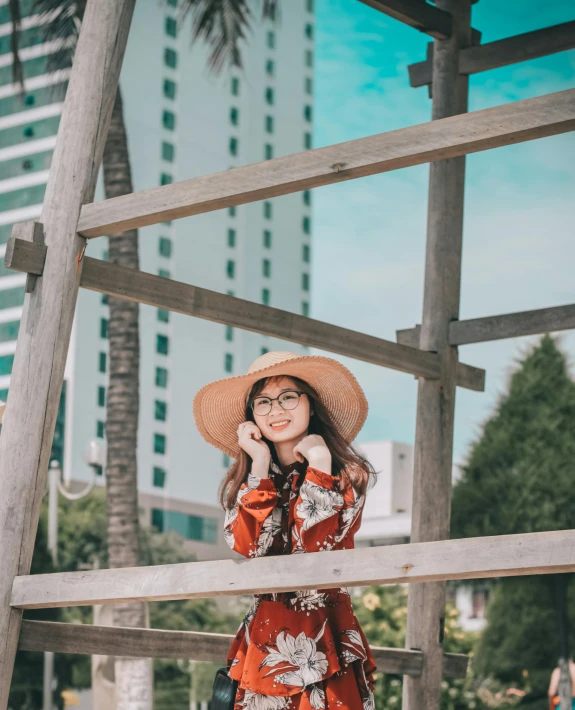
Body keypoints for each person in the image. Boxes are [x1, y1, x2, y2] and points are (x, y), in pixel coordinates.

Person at [194, 350, 378, 710]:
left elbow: (313, 548)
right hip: (264, 641)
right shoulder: (249, 481)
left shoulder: (348, 474)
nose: (276, 411)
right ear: (251, 419)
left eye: (288, 397)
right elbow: (244, 545)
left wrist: (321, 463)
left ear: (312, 405)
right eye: (262, 403)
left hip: (328, 633)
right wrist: (259, 465)